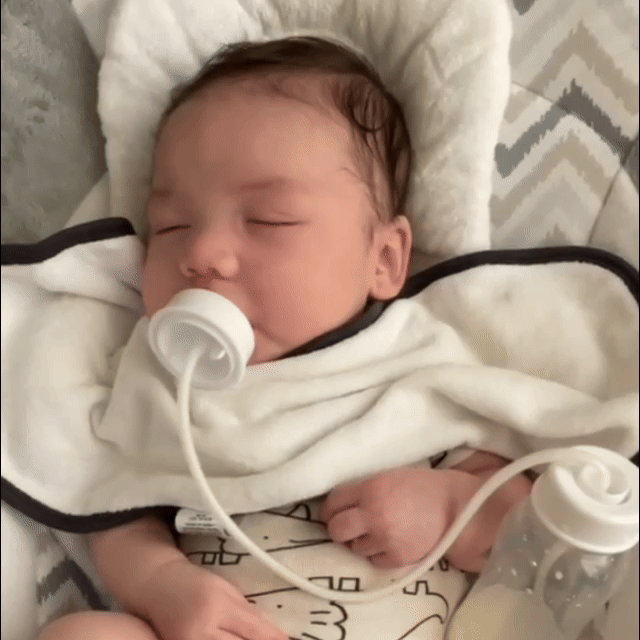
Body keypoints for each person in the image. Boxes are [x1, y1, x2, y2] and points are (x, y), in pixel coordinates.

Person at [38, 36, 531, 640]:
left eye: (268, 219)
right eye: (171, 226)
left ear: (383, 259)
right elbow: (115, 510)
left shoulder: (416, 367)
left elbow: (523, 520)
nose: (201, 252)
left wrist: (450, 506)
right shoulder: (163, 384)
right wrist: (163, 583)